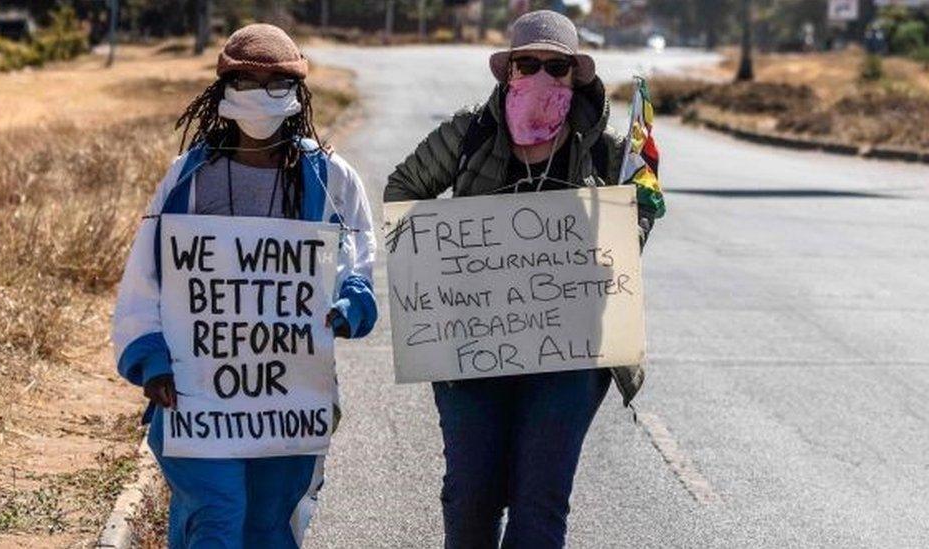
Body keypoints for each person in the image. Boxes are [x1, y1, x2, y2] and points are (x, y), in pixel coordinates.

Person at [384, 10, 664, 549]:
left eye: (555, 66)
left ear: (574, 76)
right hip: (470, 349)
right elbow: (403, 188)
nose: (541, 75)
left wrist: (632, 222)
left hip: (571, 354)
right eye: (527, 64)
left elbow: (634, 231)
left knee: (541, 502)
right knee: (471, 497)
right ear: (508, 72)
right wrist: (431, 271)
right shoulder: (468, 133)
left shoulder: (606, 153)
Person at [111, 24, 377, 548]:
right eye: (246, 81)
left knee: (269, 524)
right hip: (195, 396)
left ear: (297, 91)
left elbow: (358, 259)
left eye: (276, 82)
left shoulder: (329, 178)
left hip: (288, 399)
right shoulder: (189, 178)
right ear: (224, 89)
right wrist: (150, 358)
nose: (261, 94)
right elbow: (145, 275)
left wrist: (353, 302)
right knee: (216, 513)